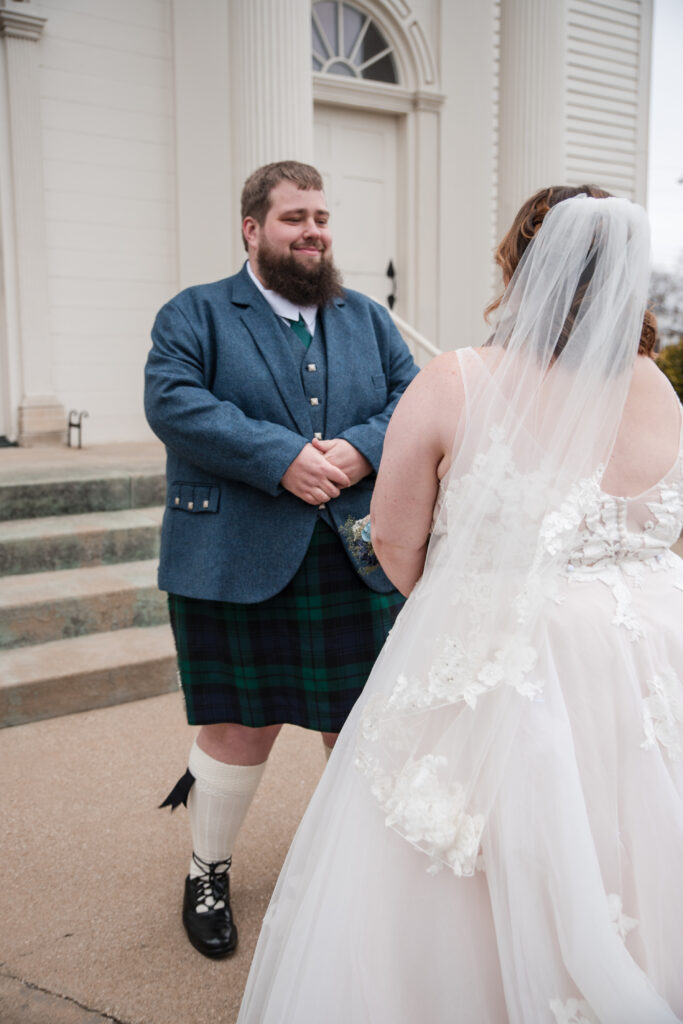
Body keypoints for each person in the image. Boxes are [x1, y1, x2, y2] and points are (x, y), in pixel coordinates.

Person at [236, 186, 683, 1023]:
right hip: (659, 641)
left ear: (518, 264)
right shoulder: (656, 386)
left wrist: (460, 611)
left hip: (518, 650)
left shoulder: (458, 379)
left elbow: (397, 540)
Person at [144, 160, 418, 959]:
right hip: (231, 554)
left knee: (357, 727)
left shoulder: (365, 317)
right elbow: (173, 400)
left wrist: (366, 450)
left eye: (322, 217)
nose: (313, 232)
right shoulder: (193, 313)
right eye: (295, 217)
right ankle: (206, 869)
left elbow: (411, 397)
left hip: (353, 559)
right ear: (252, 229)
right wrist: (281, 456)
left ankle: (353, 875)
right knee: (237, 726)